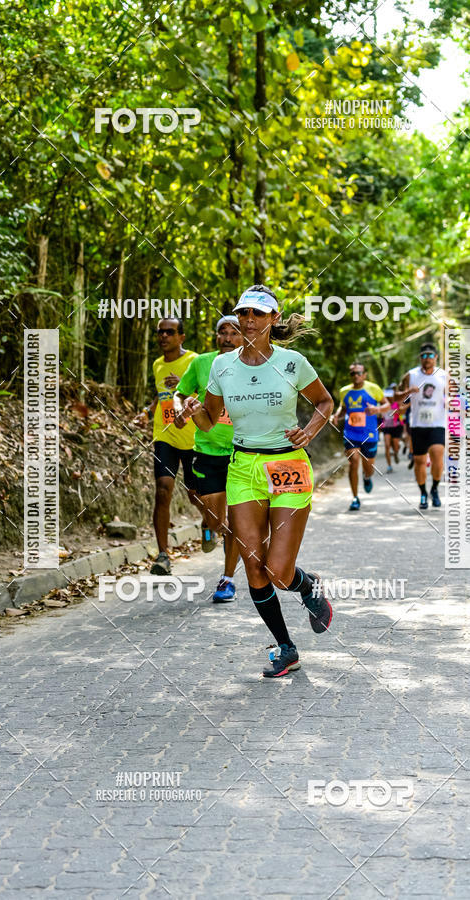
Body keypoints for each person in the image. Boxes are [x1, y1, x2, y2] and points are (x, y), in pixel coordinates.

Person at [181, 284, 334, 678]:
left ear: (273, 319)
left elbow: (324, 402)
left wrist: (309, 432)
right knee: (253, 567)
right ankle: (286, 648)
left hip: (287, 466)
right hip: (243, 467)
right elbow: (208, 421)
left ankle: (308, 586)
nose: (249, 320)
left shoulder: (292, 362)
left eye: (258, 313)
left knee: (279, 572)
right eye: (243, 313)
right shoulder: (221, 366)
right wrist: (192, 410)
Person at [174, 316, 243, 602]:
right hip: (207, 451)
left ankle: (227, 579)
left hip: (242, 452)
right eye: (222, 332)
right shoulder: (203, 363)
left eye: (234, 333)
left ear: (244, 336)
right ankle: (208, 525)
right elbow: (180, 393)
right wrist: (181, 410)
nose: (227, 338)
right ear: (215, 337)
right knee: (217, 522)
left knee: (236, 522)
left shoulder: (254, 364)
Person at [149, 318, 201, 575]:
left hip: (193, 438)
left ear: (181, 337)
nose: (164, 336)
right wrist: (147, 411)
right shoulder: (157, 364)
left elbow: (209, 393)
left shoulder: (195, 361)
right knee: (162, 489)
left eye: (170, 332)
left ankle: (211, 524)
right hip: (165, 435)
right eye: (160, 332)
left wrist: (182, 383)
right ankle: (162, 555)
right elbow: (161, 395)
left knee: (195, 494)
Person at [330, 363, 391, 510]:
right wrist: (336, 415)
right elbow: (343, 408)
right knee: (353, 462)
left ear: (364, 375)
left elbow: (387, 405)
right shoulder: (344, 391)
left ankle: (367, 477)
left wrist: (377, 409)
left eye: (359, 373)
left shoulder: (373, 388)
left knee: (368, 467)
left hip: (369, 434)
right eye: (353, 373)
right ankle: (355, 498)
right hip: (351, 432)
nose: (356, 376)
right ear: (350, 375)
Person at [396, 342, 447, 510]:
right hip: (418, 425)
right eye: (424, 356)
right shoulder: (411, 375)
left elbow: (453, 398)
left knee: (437, 455)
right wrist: (407, 393)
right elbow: (397, 397)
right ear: (420, 358)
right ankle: (423, 493)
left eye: (430, 355)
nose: (427, 358)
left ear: (436, 357)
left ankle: (435, 488)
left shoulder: (444, 376)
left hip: (438, 424)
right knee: (419, 461)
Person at [380, 383, 407, 473]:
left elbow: (402, 413)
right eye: (387, 396)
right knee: (387, 446)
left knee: (395, 446)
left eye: (390, 396)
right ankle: (389, 466)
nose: (388, 398)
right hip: (386, 427)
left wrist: (400, 411)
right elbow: (379, 415)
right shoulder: (382, 404)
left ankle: (395, 453)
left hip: (396, 427)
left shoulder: (397, 403)